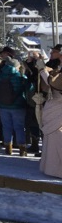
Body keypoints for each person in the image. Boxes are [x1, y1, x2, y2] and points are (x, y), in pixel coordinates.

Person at [0, 57, 30, 156]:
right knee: (19, 127)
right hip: (18, 106)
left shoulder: (0, 75)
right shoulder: (20, 76)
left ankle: (8, 148)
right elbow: (29, 88)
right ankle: (22, 149)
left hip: (3, 105)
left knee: (6, 126)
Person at [40, 44, 62, 178]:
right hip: (54, 105)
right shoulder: (58, 67)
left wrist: (44, 72)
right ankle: (52, 168)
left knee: (57, 136)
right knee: (51, 138)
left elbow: (55, 83)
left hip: (59, 107)